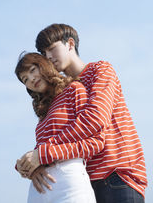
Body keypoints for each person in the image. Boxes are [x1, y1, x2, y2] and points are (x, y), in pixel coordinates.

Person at [20, 24, 147, 203]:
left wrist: (43, 154)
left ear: (70, 44)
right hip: (83, 182)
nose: (48, 57)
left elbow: (94, 119)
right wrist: (34, 164)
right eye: (44, 53)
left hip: (116, 175)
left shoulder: (100, 70)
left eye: (51, 49)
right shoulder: (61, 93)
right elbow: (54, 134)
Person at [15, 52, 99, 203]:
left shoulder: (74, 89)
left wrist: (42, 156)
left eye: (33, 70)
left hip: (69, 181)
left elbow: (93, 144)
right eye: (25, 79)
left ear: (44, 65)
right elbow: (44, 146)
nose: (31, 79)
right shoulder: (43, 111)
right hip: (39, 188)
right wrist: (28, 166)